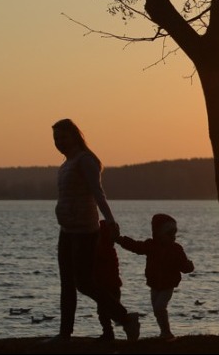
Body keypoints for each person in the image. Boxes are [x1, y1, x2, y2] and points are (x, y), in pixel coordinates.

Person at [50, 118, 140, 342]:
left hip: (85, 230)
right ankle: (65, 333)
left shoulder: (85, 160)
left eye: (63, 136)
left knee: (84, 283)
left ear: (74, 136)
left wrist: (110, 221)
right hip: (67, 229)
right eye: (56, 138)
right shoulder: (66, 163)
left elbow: (98, 193)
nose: (59, 142)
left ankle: (126, 318)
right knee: (67, 283)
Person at [117, 213, 195, 342]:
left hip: (168, 285)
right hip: (154, 284)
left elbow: (183, 265)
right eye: (168, 234)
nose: (172, 238)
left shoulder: (176, 249)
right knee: (157, 309)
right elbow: (136, 246)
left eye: (173, 235)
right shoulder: (151, 245)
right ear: (158, 234)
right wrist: (120, 239)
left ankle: (167, 333)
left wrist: (189, 266)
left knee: (159, 307)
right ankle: (165, 332)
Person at [95, 219, 123, 341]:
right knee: (104, 312)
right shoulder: (108, 250)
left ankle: (126, 323)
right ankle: (108, 333)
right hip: (109, 285)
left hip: (108, 286)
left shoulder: (103, 250)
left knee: (107, 311)